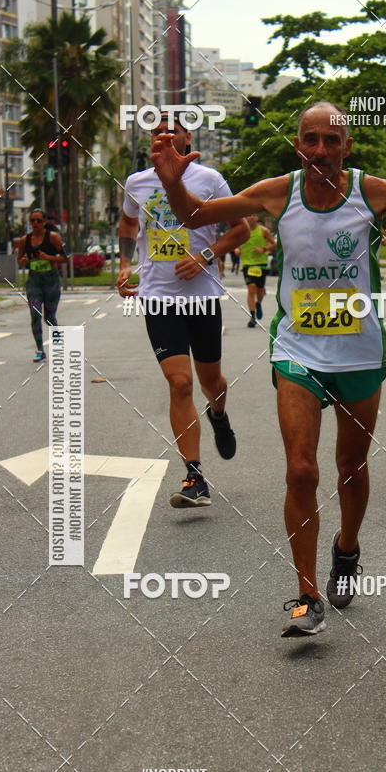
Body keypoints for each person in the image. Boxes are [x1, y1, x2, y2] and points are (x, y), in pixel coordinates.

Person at [152, 101, 386, 637]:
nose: (321, 149)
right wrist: (171, 183)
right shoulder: (278, 192)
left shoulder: (372, 192)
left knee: (351, 466)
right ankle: (307, 594)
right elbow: (194, 216)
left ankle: (346, 548)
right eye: (311, 139)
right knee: (301, 470)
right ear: (298, 144)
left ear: (347, 145)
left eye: (331, 140)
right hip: (297, 350)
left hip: (359, 353)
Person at [116, 114, 249, 508]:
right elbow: (128, 223)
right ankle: (195, 476)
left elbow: (241, 229)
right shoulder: (138, 182)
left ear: (188, 138)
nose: (164, 136)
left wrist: (205, 255)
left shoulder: (209, 179)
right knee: (179, 383)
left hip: (202, 296)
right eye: (156, 132)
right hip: (158, 297)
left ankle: (218, 414)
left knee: (212, 381)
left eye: (172, 131)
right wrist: (124, 264)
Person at [16, 207, 67, 363]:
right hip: (34, 281)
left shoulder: (53, 237)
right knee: (35, 315)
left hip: (51, 280)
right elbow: (20, 260)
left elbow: (65, 257)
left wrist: (49, 258)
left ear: (44, 222)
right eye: (32, 220)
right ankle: (40, 350)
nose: (35, 223)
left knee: (49, 317)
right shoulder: (24, 240)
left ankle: (58, 344)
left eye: (38, 220)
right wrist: (23, 261)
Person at [239, 213, 276, 327]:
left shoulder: (263, 231)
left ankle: (258, 303)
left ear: (257, 217)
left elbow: (274, 244)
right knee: (251, 288)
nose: (251, 217)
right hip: (247, 264)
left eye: (253, 215)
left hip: (261, 264)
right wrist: (237, 249)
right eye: (248, 215)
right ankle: (252, 316)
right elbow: (235, 242)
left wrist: (263, 249)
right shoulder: (241, 230)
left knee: (260, 290)